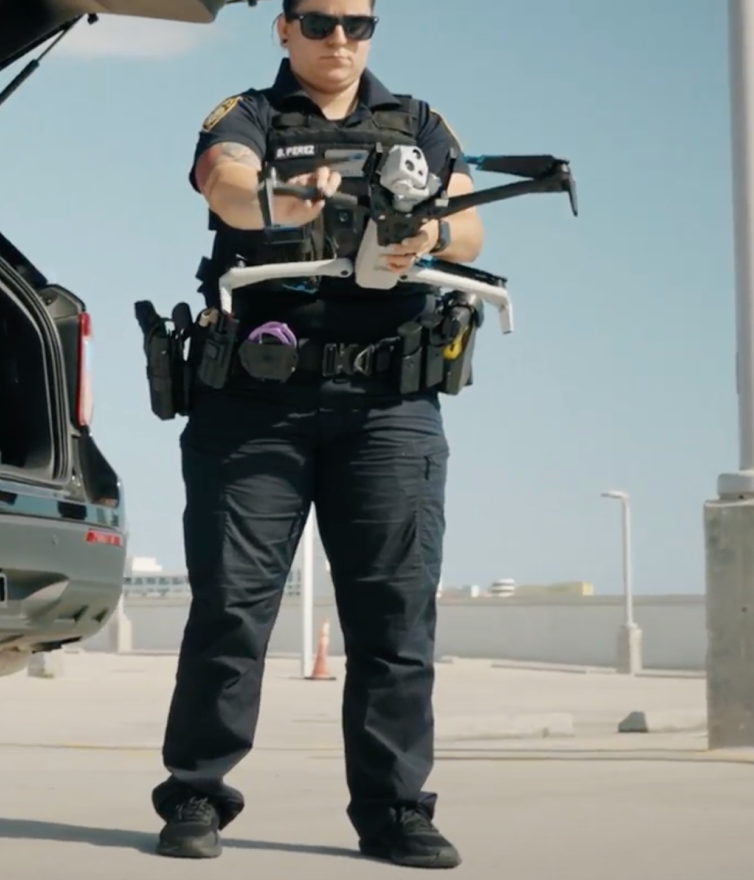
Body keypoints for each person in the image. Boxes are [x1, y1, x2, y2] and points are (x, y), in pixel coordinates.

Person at [151, 0, 484, 869]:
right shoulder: (248, 116)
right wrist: (286, 202)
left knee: (396, 620)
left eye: (359, 24)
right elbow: (224, 180)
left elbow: (472, 220)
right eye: (322, 20)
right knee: (231, 608)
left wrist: (431, 231)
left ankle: (396, 810)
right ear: (285, 28)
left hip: (391, 408)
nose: (341, 39)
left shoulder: (420, 123)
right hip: (256, 402)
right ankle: (195, 792)